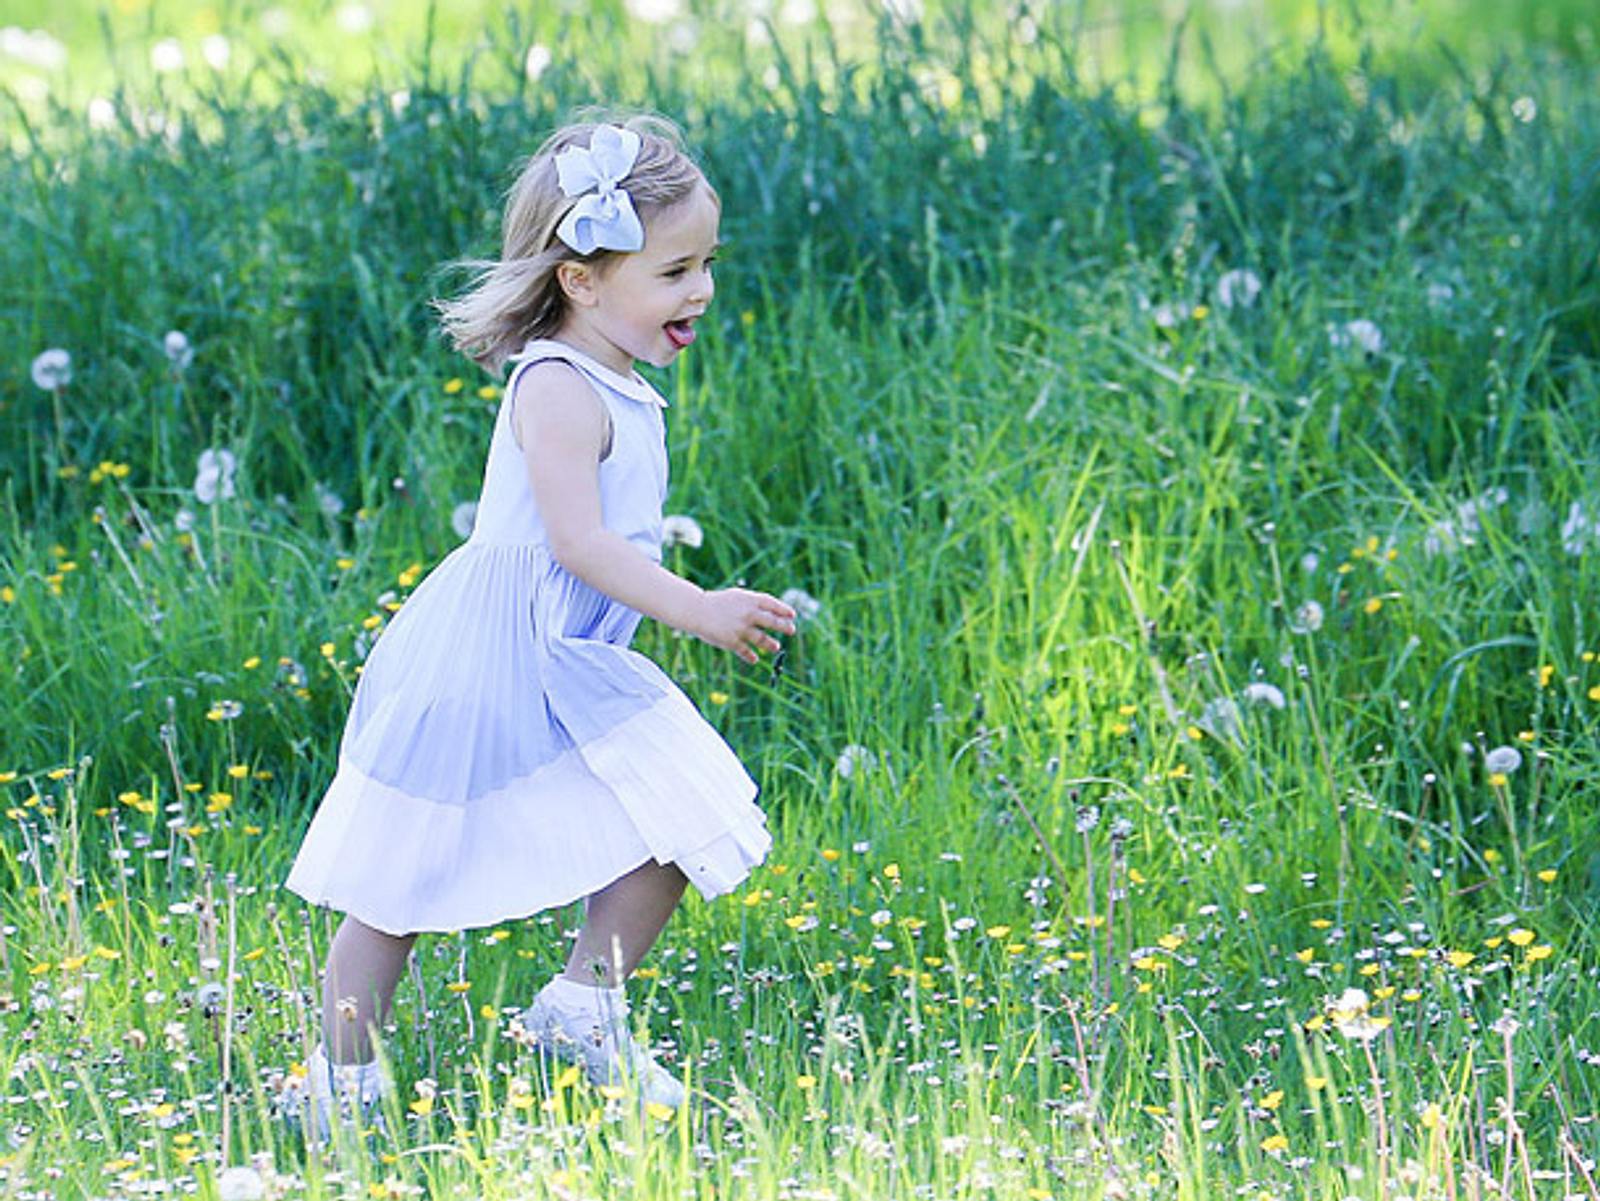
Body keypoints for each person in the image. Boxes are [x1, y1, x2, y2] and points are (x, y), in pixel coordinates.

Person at [281, 113, 796, 1140]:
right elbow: (576, 542)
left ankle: (582, 1008)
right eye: (674, 270)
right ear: (582, 280)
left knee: (683, 816)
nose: (699, 289)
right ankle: (339, 1085)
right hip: (494, 659)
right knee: (399, 880)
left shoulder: (616, 376)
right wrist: (695, 609)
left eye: (707, 264)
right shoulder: (557, 387)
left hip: (569, 658)